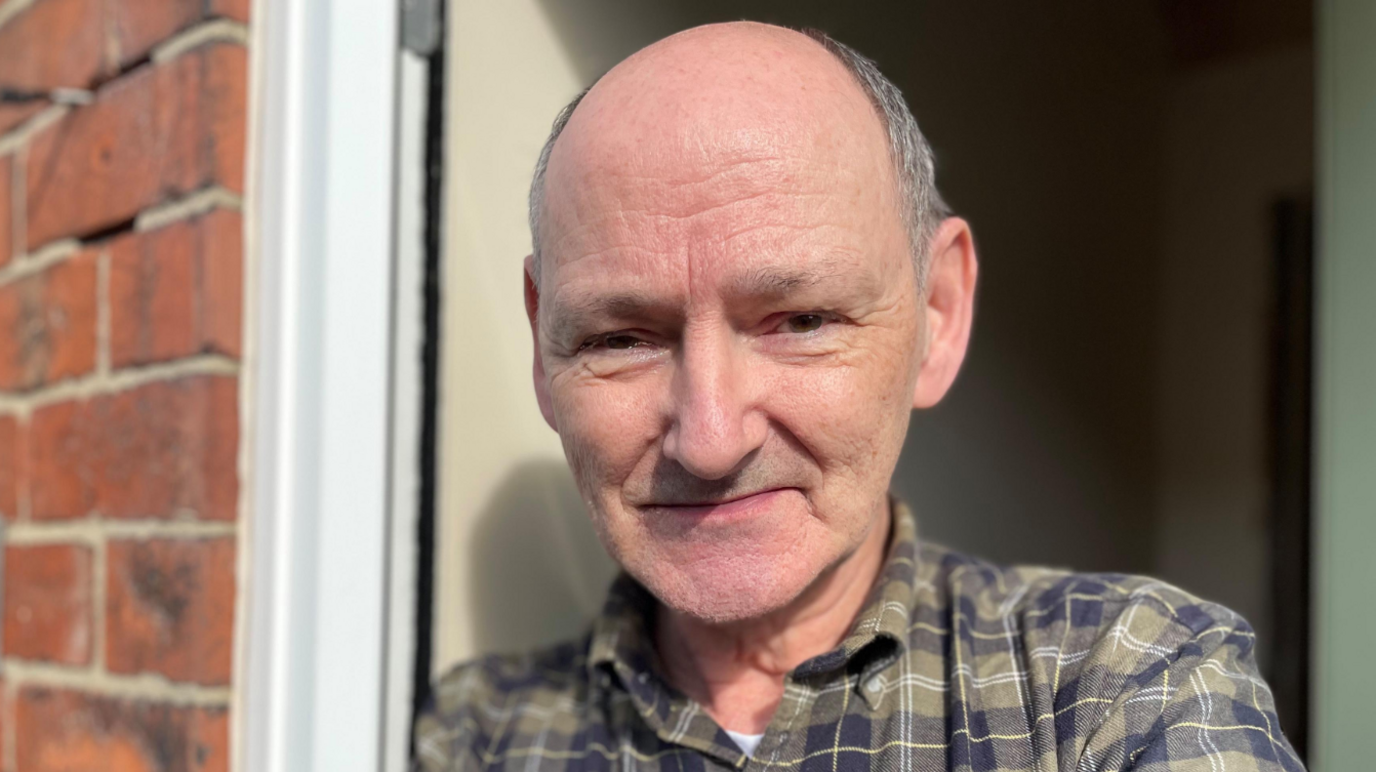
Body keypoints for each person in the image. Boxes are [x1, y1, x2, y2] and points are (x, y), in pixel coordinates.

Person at [415, 22, 1303, 772]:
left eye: (799, 320)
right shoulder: (481, 733)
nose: (711, 438)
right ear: (543, 347)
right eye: (622, 339)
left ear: (938, 314)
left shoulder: (1125, 683)